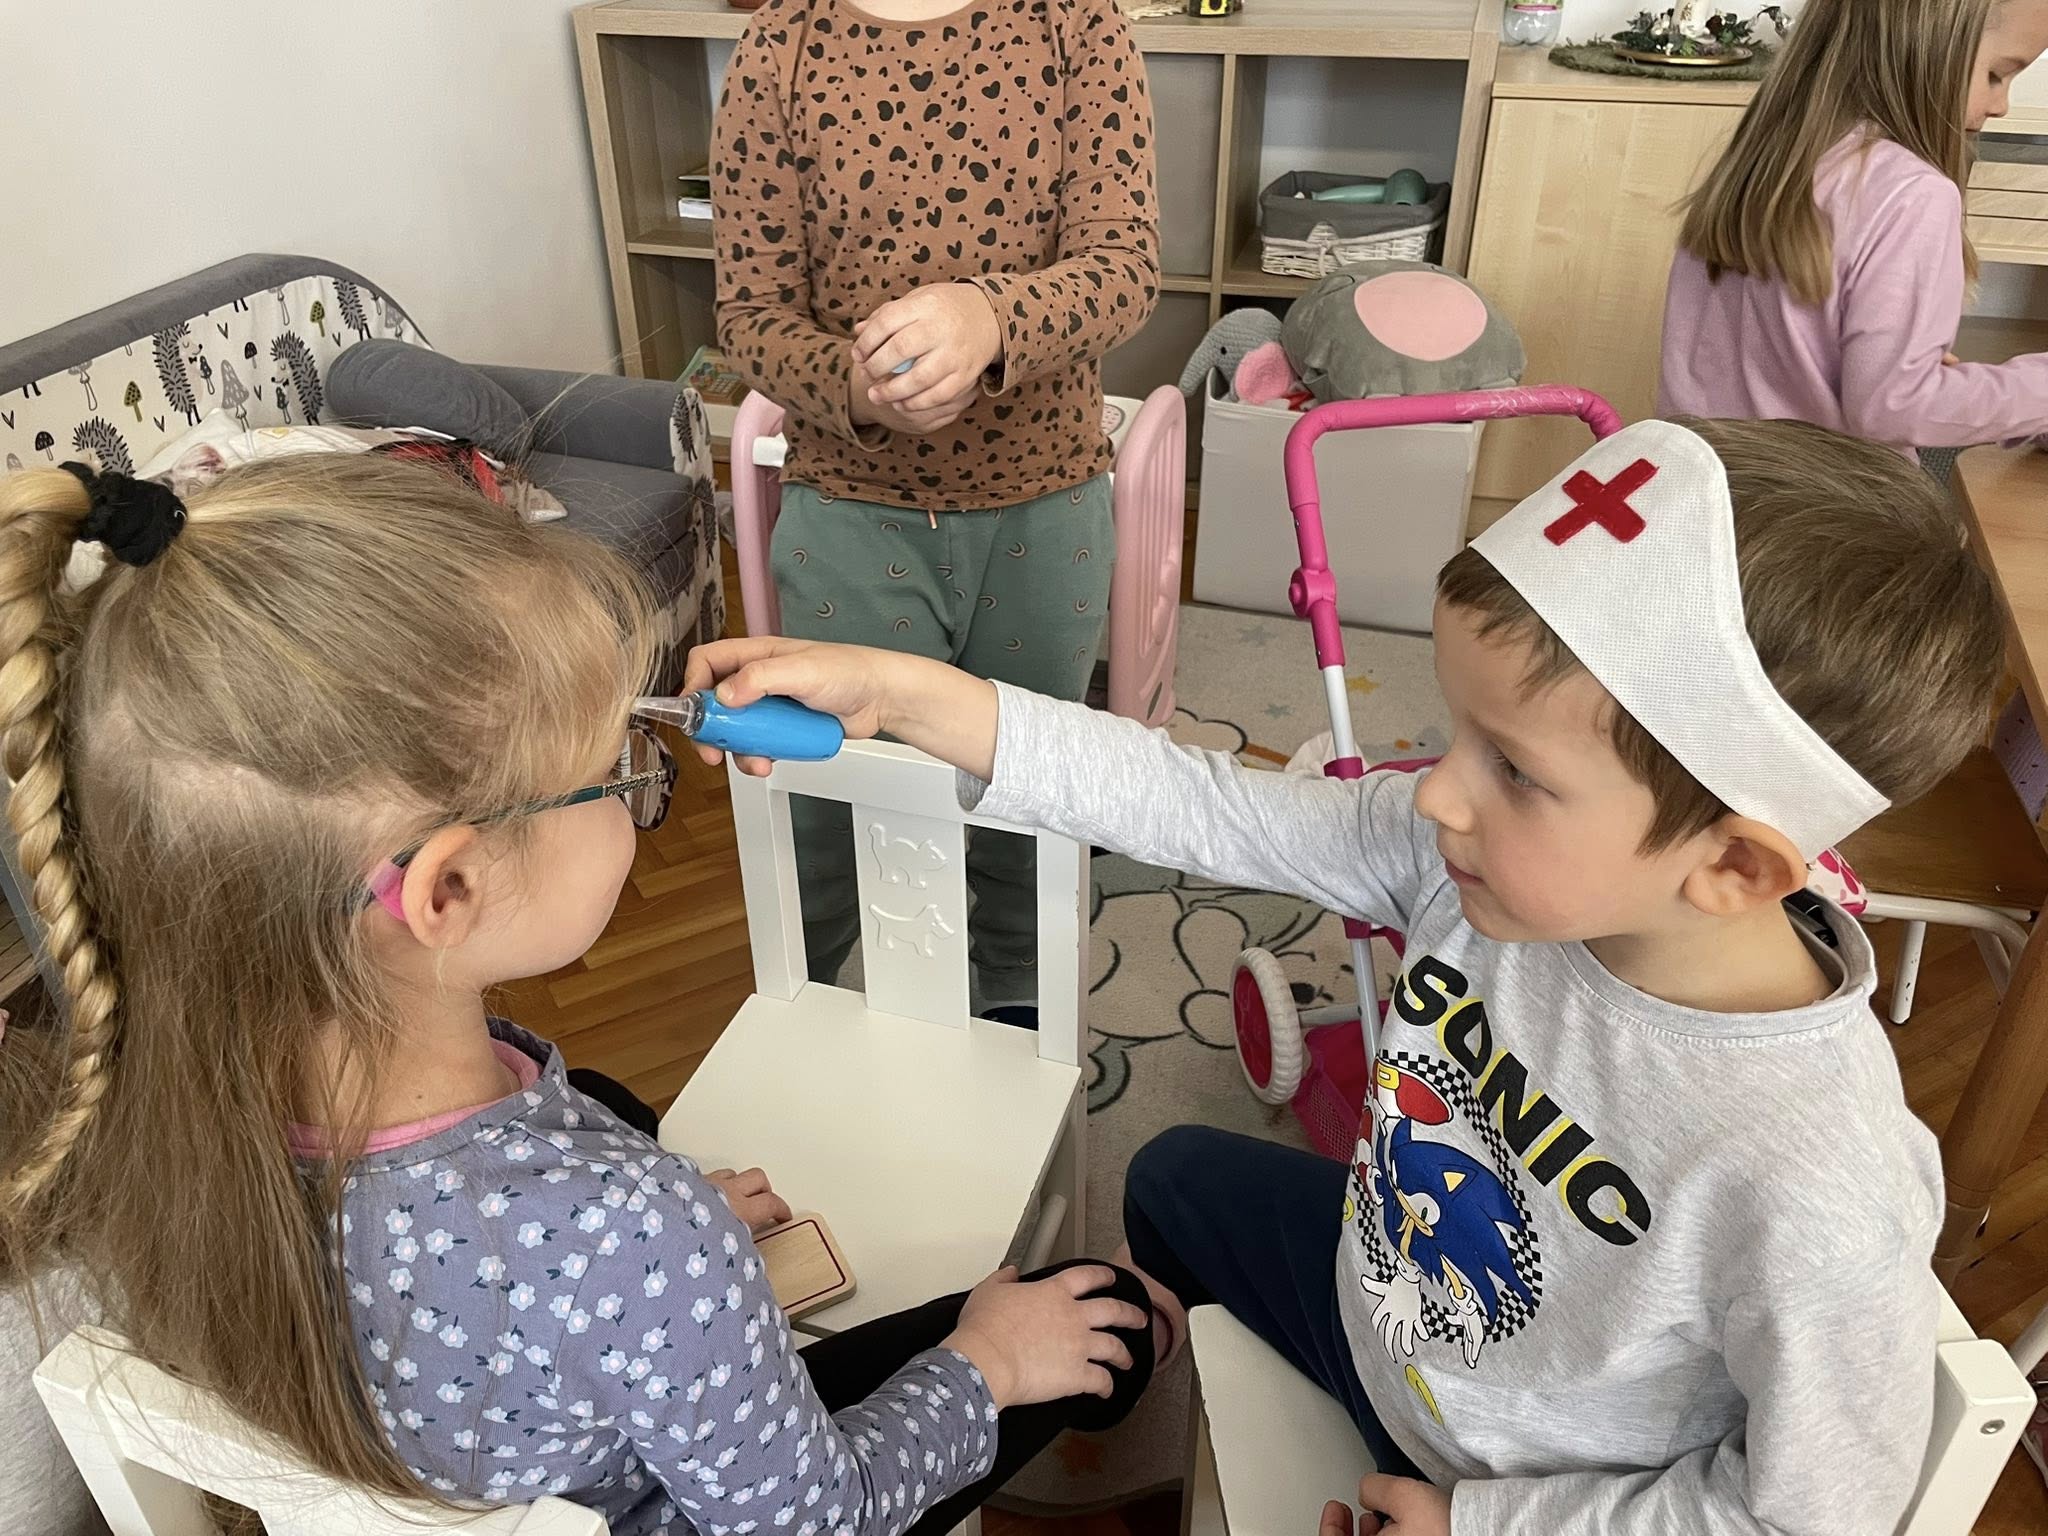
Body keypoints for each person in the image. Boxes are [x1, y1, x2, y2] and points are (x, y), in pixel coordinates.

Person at [685, 416, 2005, 1534]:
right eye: (1457, 733)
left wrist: (1483, 1526)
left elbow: (1809, 1513)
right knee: (1168, 1176)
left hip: (1515, 1478)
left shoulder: (1815, 1178)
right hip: (1381, 1308)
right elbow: (1197, 803)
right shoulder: (1468, 861)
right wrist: (909, 693)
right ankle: (1177, 1358)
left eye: (1514, 770)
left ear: (1732, 865)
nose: (1434, 793)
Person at [0, 454, 1155, 1536]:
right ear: (449, 889)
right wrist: (987, 1366)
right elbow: (810, 1522)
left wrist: (639, 1275)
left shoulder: (156, 1124)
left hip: (500, 1404)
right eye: (613, 768)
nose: (640, 783)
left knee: (600, 1094)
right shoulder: (639, 1230)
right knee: (1100, 1311)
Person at [713, 0, 1160, 1018]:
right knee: (837, 805)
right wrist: (856, 389)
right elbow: (750, 313)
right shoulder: (781, 44)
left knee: (1029, 788)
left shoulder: (1075, 24)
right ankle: (814, 1008)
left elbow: (1126, 268)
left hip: (1044, 508)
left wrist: (990, 317)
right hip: (848, 511)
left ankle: (1016, 999)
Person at [1661, 0, 2048, 459]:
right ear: (1926, 44)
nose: (2001, 106)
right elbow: (1893, 407)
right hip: (1824, 498)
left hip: (1694, 486)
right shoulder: (1912, 193)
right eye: (1996, 75)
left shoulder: (1761, 167)